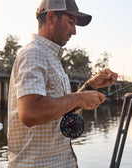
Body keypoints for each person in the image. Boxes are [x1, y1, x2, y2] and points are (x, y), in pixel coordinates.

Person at [7, 0, 117, 167]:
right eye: (71, 22)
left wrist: (92, 85)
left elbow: (61, 107)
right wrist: (79, 98)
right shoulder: (33, 54)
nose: (74, 31)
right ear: (51, 17)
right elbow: (30, 112)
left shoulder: (51, 57)